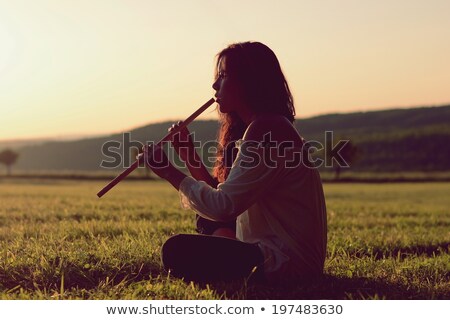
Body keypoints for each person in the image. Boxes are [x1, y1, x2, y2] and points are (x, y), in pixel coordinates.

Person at [143, 41, 327, 284]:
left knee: (176, 249)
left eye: (224, 76)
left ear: (249, 82)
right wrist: (188, 155)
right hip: (271, 253)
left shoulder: (268, 128)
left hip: (286, 263)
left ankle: (231, 259)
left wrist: (169, 171)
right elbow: (222, 201)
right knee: (204, 217)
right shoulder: (264, 125)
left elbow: (223, 207)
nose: (215, 84)